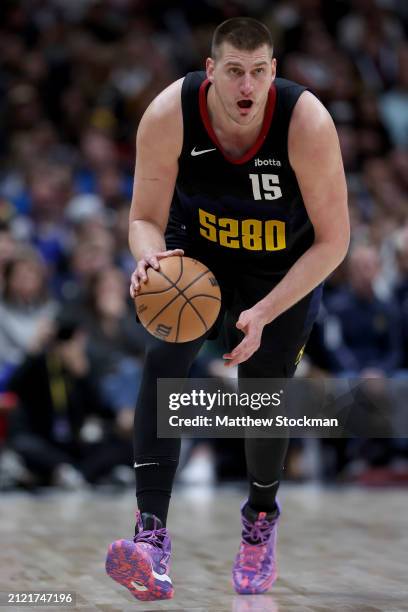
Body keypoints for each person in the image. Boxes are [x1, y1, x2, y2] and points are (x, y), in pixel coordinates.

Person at [106, 17, 349, 600]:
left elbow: (334, 241)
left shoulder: (305, 122)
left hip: (281, 273)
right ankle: (151, 538)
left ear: (274, 72)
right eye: (235, 72)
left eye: (259, 72)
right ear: (211, 71)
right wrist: (150, 260)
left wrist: (266, 310)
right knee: (163, 357)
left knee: (262, 395)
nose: (247, 87)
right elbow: (143, 219)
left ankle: (260, 519)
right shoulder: (170, 113)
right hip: (200, 260)